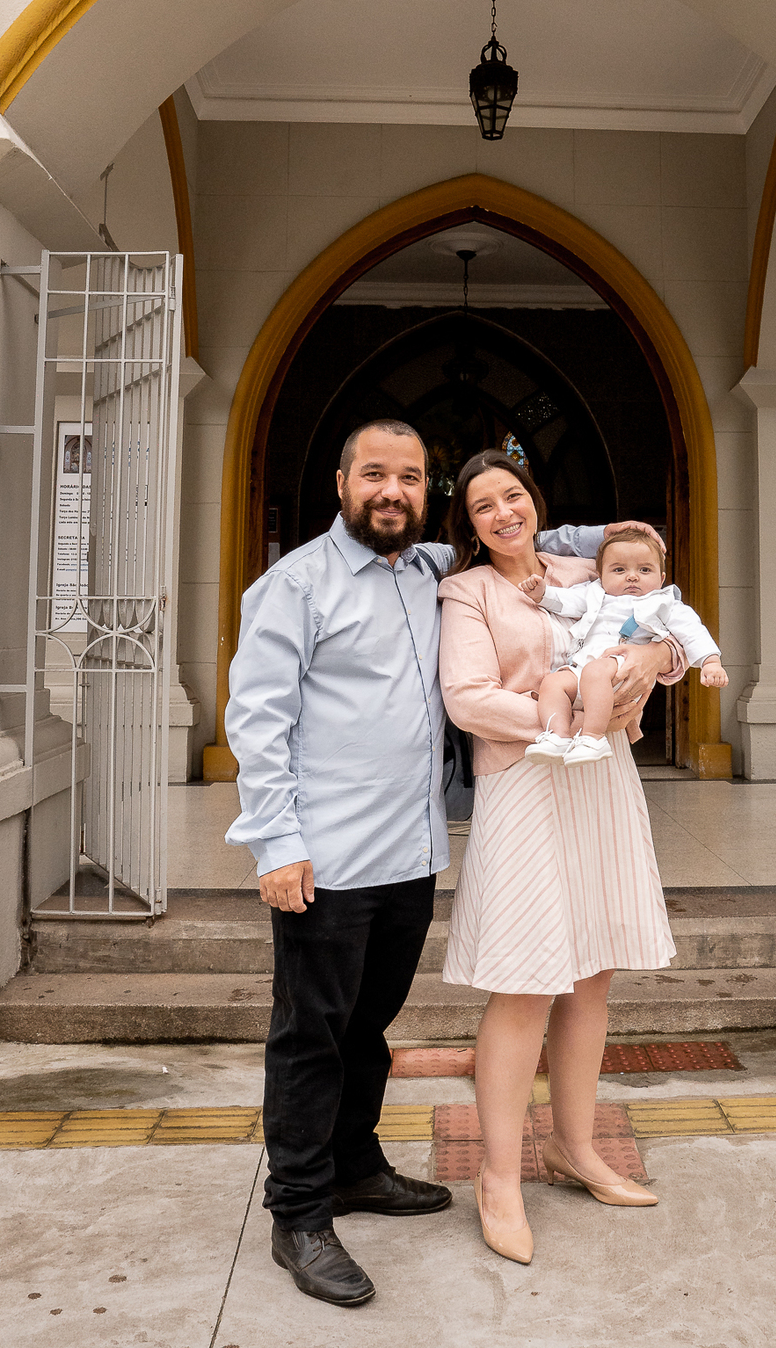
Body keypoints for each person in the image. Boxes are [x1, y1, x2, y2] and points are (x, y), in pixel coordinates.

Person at [224, 420, 668, 1308]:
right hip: (326, 851)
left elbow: (591, 546)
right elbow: (258, 718)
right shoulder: (295, 584)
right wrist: (276, 843)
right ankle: (300, 1213)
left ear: (427, 499)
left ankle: (356, 1168)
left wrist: (659, 647)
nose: (392, 491)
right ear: (342, 483)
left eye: (411, 478)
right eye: (375, 475)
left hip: (409, 847)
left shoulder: (428, 567)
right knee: (310, 1030)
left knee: (367, 1024)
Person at [437, 450, 693, 1267]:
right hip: (523, 783)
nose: (504, 513)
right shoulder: (466, 592)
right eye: (484, 506)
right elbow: (467, 698)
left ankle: (574, 1149)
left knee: (593, 975)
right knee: (523, 982)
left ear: (535, 500)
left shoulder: (583, 568)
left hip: (603, 783)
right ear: (469, 524)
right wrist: (559, 723)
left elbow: (661, 624)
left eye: (513, 496)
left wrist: (654, 661)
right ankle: (499, 1175)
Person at [520, 527, 728, 765]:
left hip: (622, 667)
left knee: (596, 671)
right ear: (601, 575)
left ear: (661, 578)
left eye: (644, 569)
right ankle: (557, 736)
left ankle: (593, 737)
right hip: (583, 668)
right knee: (553, 682)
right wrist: (542, 593)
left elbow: (692, 630)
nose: (632, 576)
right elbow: (565, 601)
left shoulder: (663, 602)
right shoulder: (594, 593)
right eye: (619, 569)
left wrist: (710, 661)